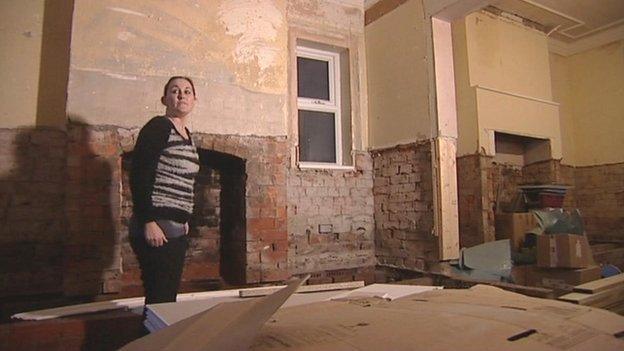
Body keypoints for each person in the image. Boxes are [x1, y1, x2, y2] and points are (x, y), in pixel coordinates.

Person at [130, 76, 200, 306]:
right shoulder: (159, 127)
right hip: (156, 225)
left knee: (166, 299)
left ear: (194, 100)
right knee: (160, 300)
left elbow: (184, 181)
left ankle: (158, 341)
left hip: (175, 226)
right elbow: (140, 174)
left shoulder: (187, 135)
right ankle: (151, 342)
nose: (182, 95)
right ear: (165, 99)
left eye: (187, 91)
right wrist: (147, 221)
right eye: (175, 90)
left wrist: (184, 218)